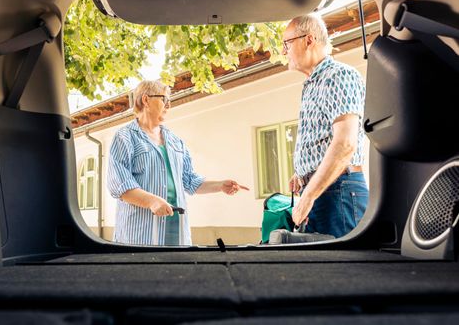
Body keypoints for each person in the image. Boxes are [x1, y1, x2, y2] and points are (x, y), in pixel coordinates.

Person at [107, 80, 249, 246]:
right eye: (164, 100)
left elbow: (189, 181)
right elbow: (120, 186)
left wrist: (219, 185)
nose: (169, 105)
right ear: (146, 100)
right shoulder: (124, 137)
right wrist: (152, 201)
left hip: (177, 231)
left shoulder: (176, 141)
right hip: (140, 234)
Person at [283, 14, 369, 238]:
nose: (284, 51)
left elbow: (345, 144)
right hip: (323, 191)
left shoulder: (339, 75)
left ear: (308, 40)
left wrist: (309, 195)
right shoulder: (312, 84)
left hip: (338, 192)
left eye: (287, 43)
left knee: (343, 271)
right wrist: (302, 173)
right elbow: (324, 140)